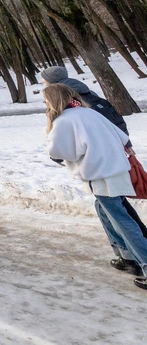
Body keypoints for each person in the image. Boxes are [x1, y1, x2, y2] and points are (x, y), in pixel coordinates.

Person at [44, 84, 147, 290]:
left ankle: (142, 261)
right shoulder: (90, 113)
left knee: (121, 219)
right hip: (117, 170)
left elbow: (58, 152)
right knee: (104, 210)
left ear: (54, 100)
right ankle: (125, 256)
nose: (44, 103)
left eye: (45, 100)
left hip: (101, 174)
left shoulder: (64, 121)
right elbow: (123, 138)